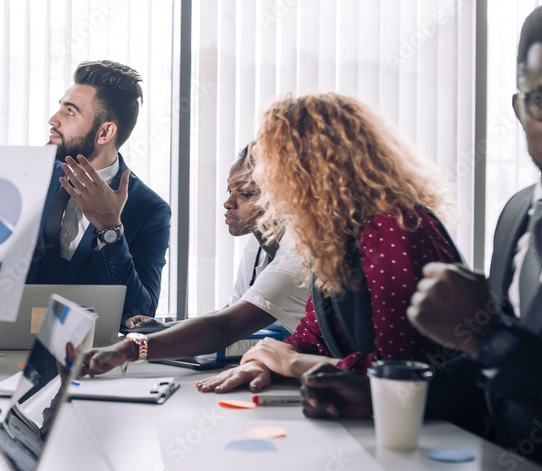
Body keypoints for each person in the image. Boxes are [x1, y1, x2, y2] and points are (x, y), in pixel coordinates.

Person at [302, 6, 542, 464]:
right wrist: (384, 399)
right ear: (518, 108)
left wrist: (489, 336)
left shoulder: (391, 227)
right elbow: (484, 378)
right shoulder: (516, 216)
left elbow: (495, 351)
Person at [198, 93, 462, 394]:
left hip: (434, 423)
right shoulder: (334, 235)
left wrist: (292, 364)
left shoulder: (392, 228)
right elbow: (316, 336)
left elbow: (397, 369)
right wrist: (263, 361)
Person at [79, 142, 309, 375]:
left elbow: (224, 328)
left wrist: (130, 349)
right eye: (230, 191)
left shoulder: (300, 254)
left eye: (246, 194)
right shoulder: (258, 245)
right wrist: (164, 328)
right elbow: (231, 311)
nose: (228, 203)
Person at [26, 60, 170, 322]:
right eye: (60, 107)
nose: (53, 119)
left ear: (104, 132)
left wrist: (110, 228)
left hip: (94, 355)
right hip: (10, 345)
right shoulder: (32, 178)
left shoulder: (149, 210)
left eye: (69, 112)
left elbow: (140, 313)